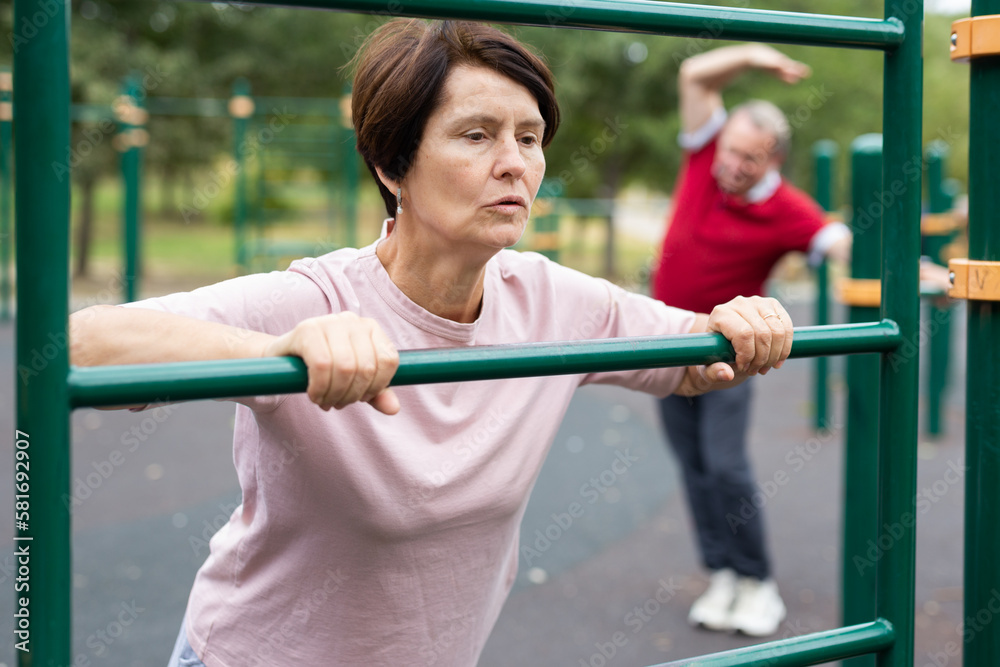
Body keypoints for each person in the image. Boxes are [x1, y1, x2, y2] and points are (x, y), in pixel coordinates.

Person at [71, 22, 796, 666]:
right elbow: (81, 345)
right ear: (393, 165)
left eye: (530, 138)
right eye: (477, 135)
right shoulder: (314, 301)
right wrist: (278, 354)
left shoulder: (552, 301)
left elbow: (695, 359)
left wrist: (742, 322)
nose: (515, 163)